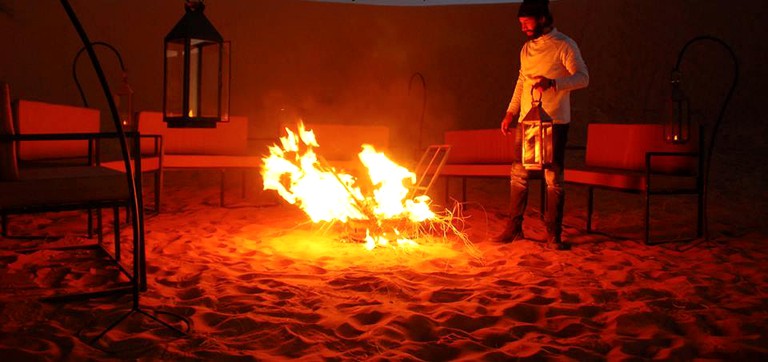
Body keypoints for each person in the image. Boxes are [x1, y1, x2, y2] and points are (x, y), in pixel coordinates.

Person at [494, 0, 589, 250]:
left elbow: (583, 78)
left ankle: (553, 233)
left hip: (554, 122)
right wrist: (510, 112)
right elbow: (521, 81)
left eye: (527, 21)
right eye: (521, 23)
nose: (523, 26)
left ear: (543, 18)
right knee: (519, 175)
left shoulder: (565, 45)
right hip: (527, 122)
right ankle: (514, 228)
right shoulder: (526, 49)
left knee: (553, 178)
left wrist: (554, 83)